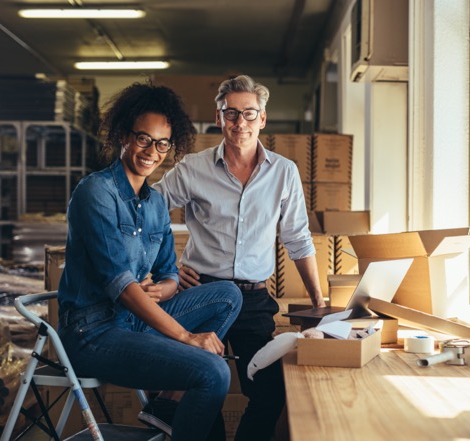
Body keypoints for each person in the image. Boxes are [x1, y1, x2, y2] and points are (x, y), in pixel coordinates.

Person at [56, 81, 242, 441]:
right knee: (213, 372)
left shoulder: (155, 202)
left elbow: (170, 272)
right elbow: (122, 286)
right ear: (124, 134)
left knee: (228, 295)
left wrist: (161, 288)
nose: (151, 151)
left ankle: (169, 404)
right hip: (92, 333)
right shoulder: (96, 193)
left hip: (134, 320)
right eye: (143, 139)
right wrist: (187, 337)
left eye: (162, 144)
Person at [153, 74, 326, 441]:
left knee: (270, 391)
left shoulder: (284, 173)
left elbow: (297, 238)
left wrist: (319, 301)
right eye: (231, 114)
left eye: (249, 114)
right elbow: (147, 214)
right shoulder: (193, 168)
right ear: (219, 118)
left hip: (253, 297)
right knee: (204, 389)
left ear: (263, 118)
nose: (240, 123)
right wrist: (167, 269)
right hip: (202, 293)